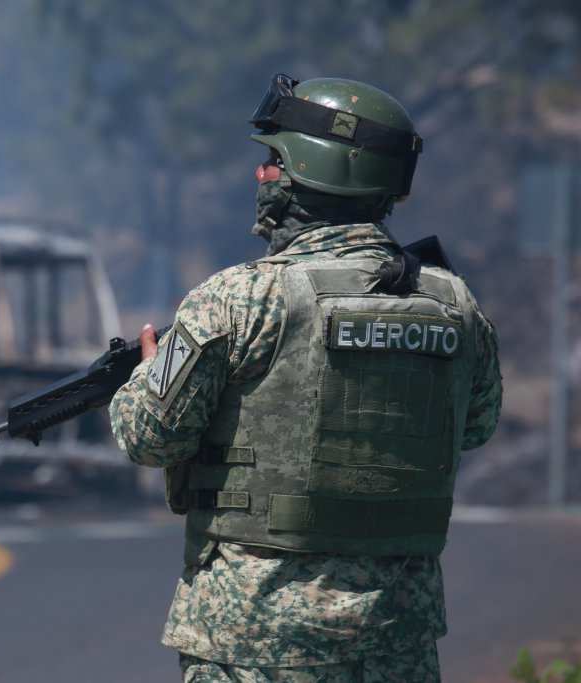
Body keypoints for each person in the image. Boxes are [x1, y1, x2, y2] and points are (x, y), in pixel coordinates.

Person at [108, 73, 502, 682]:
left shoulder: (239, 298)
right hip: (397, 635)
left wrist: (144, 376)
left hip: (255, 637)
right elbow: (475, 427)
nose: (261, 174)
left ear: (306, 173)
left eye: (273, 161)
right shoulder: (456, 304)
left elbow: (147, 437)